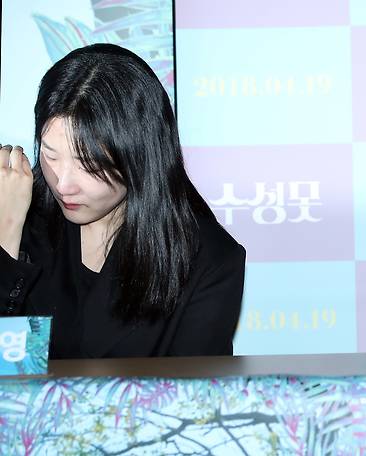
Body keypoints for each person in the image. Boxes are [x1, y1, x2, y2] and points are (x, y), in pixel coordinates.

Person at [0, 44, 245, 359]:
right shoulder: (19, 216)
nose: (63, 184)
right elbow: (13, 369)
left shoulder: (206, 261)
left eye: (89, 164)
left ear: (140, 155)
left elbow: (188, 390)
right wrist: (7, 239)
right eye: (50, 154)